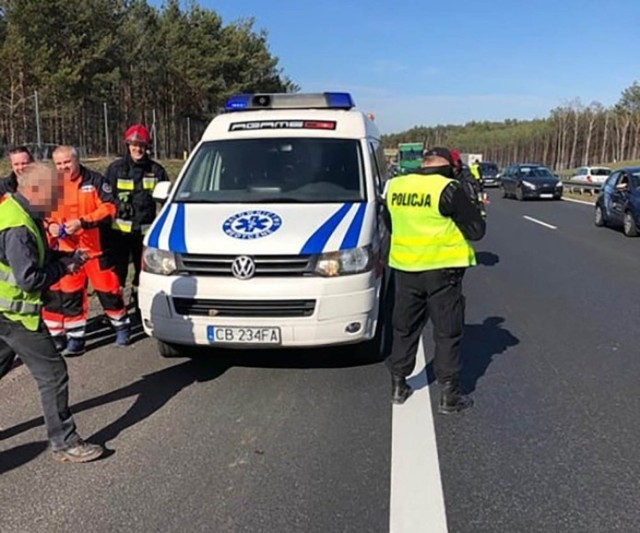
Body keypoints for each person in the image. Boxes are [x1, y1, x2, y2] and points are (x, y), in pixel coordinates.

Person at [0, 162, 104, 462]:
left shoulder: (16, 212)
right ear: (33, 191)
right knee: (53, 374)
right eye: (52, 194)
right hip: (17, 315)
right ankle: (65, 442)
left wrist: (64, 256)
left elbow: (32, 257)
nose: (57, 201)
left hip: (5, 312)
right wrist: (65, 266)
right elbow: (29, 278)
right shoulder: (18, 227)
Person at [384, 147, 486, 413]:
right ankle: (449, 396)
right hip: (442, 271)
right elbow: (476, 231)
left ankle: (398, 385)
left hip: (405, 268)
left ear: (424, 163)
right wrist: (475, 208)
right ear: (450, 166)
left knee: (404, 327)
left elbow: (390, 223)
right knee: (447, 330)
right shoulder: (449, 188)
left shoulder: (395, 185)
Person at [42, 146, 130, 356]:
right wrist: (50, 226)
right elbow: (43, 213)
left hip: (95, 250)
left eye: (67, 163)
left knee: (108, 290)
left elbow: (109, 208)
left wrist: (83, 222)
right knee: (71, 295)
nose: (63, 167)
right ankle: (76, 338)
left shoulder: (95, 180)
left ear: (76, 160)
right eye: (59, 164)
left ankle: (121, 326)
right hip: (67, 252)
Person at [105, 125, 169, 308]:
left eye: (141, 145)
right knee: (117, 273)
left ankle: (139, 306)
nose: (137, 149)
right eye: (134, 144)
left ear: (147, 146)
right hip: (119, 235)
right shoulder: (115, 169)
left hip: (144, 234)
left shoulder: (156, 171)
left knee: (143, 273)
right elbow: (104, 196)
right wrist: (118, 203)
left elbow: (167, 199)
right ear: (127, 145)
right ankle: (115, 310)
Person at [451, 150, 487, 219]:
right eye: (451, 165)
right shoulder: (443, 177)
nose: (453, 169)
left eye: (454, 165)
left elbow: (473, 193)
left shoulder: (466, 176)